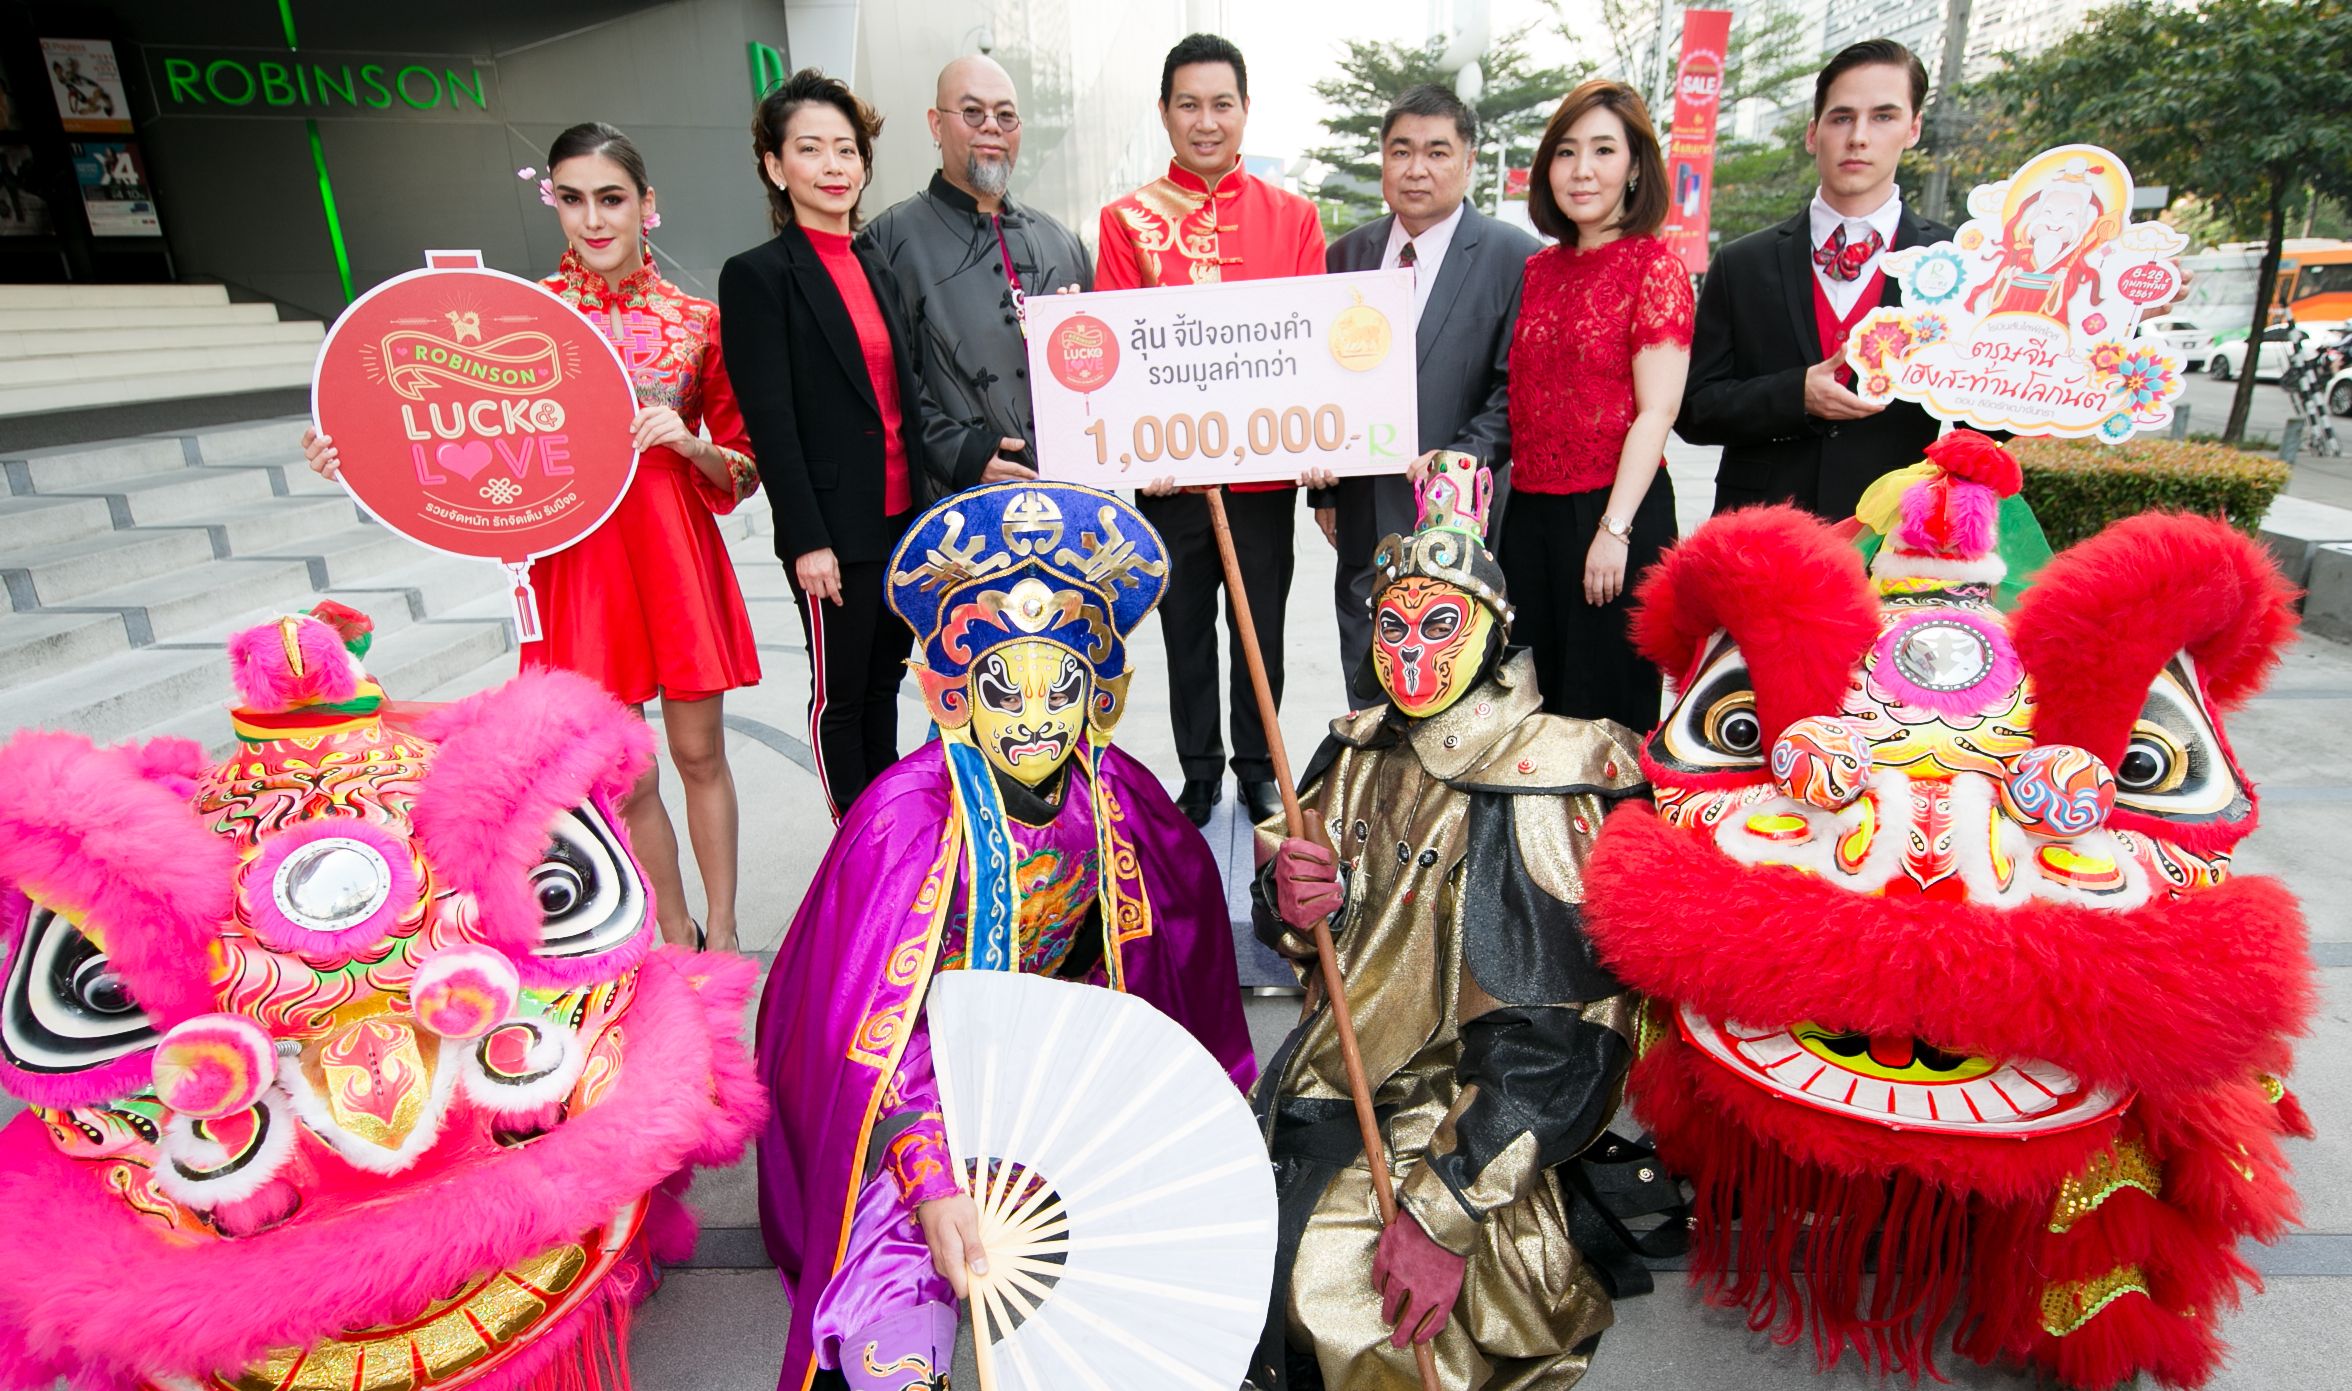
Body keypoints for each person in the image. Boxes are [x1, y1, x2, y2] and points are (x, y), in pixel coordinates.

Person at [756, 480, 1255, 1391]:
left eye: (1061, 689)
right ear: (952, 694)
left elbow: (1159, 970)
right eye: (1004, 689)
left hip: (1050, 1085)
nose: (1033, 719)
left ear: (1100, 696)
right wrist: (934, 1178)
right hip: (913, 1099)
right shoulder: (907, 820)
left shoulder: (1120, 800)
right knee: (898, 1291)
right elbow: (870, 1030)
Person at [301, 122, 761, 952]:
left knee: (700, 755)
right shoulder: (521, 316)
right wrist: (353, 455)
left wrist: (689, 444)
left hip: (674, 551)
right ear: (553, 203)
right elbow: (436, 422)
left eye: (611, 199)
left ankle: (725, 933)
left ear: (647, 204)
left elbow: (743, 466)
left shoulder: (698, 320)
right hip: (576, 562)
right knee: (625, 774)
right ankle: (676, 935)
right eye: (572, 199)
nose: (594, 219)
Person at [1248, 454, 1645, 1391]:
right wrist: (1293, 905)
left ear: (1492, 631)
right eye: (1392, 625)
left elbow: (1560, 1035)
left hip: (1458, 1118)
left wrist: (1447, 1210)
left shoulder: (1542, 776)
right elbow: (1307, 932)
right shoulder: (1354, 752)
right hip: (1331, 1080)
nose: (1410, 652)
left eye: (1439, 625)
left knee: (1343, 1302)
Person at [719, 69, 1023, 821]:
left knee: (888, 680)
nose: (833, 167)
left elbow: (903, 398)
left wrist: (942, 489)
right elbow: (771, 423)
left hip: (899, 518)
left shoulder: (873, 263)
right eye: (810, 149)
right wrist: (807, 540)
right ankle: (852, 840)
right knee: (842, 695)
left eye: (846, 150)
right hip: (833, 532)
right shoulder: (758, 276)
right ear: (775, 166)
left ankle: (888, 825)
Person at [1096, 31, 1326, 828]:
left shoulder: (1294, 218)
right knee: (1184, 626)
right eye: (1189, 104)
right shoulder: (1127, 221)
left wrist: (1314, 447)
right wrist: (1138, 452)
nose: (1206, 121)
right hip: (1169, 476)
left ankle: (1258, 767)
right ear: (1164, 111)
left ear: (1245, 110)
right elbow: (1117, 351)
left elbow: (1310, 346)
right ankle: (1198, 771)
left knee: (1261, 627)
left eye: (1221, 104)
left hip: (1262, 473)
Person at [1316, 83, 1537, 709]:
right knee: (1367, 666)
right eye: (1401, 151)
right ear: (1383, 159)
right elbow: (1322, 379)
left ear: (1468, 162)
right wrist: (1325, 491)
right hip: (1363, 510)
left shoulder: (1515, 258)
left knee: (1455, 668)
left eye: (1437, 152)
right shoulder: (1346, 256)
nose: (1417, 169)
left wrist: (1458, 460)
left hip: (1465, 515)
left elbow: (1514, 388)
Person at [1675, 38, 1950, 521]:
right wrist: (1794, 396)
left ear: (1913, 128)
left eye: (1883, 117)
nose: (1858, 137)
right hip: (1761, 528)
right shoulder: (1742, 262)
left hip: (1898, 530)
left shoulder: (1953, 263)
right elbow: (1693, 409)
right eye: (1841, 118)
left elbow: (1988, 413)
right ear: (1812, 133)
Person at [1503, 79, 1692, 736]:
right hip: (1530, 514)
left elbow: (1657, 410)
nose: (1582, 169)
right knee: (1530, 709)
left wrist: (1614, 531)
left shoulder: (1656, 268)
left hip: (1614, 511)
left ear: (1635, 166)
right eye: (1566, 151)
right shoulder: (1539, 270)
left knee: (1605, 716)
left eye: (1603, 150)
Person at [859, 55, 1092, 470]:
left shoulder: (1062, 242)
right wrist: (969, 456)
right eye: (972, 112)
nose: (991, 127)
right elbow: (885, 387)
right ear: (936, 124)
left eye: (1006, 115)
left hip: (1074, 490)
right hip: (960, 500)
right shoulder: (887, 243)